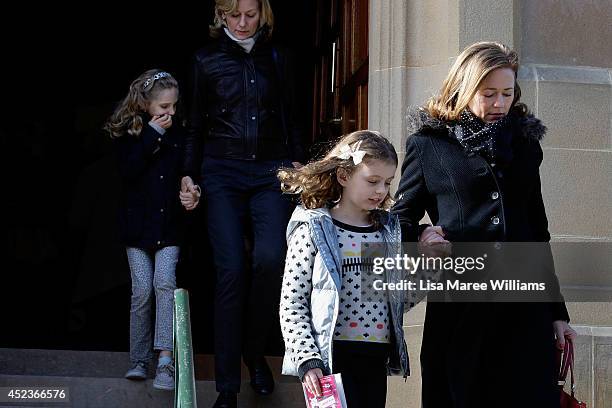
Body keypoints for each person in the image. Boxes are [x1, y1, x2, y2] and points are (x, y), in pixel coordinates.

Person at [392, 42, 577, 407]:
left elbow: (537, 232)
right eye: (488, 93)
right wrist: (422, 235)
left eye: (507, 93)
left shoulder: (524, 145)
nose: (499, 103)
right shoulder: (428, 145)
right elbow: (400, 218)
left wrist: (557, 312)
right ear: (463, 88)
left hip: (525, 306)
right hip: (461, 306)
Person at [181, 0, 305, 406]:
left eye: (250, 15)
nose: (242, 23)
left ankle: (255, 352)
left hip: (271, 171)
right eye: (234, 15)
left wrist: (299, 161)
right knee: (231, 268)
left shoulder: (278, 57)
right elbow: (195, 124)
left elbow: (292, 115)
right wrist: (189, 173)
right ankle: (228, 386)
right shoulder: (205, 60)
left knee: (271, 259)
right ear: (220, 15)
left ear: (263, 14)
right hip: (222, 171)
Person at [278, 130, 435, 408]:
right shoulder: (313, 228)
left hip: (375, 359)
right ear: (344, 176)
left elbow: (398, 298)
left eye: (387, 183)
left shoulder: (387, 232)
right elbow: (292, 302)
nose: (381, 191)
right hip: (330, 361)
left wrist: (431, 267)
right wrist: (306, 358)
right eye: (372, 181)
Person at [105, 69, 199, 391]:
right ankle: (138, 359)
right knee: (142, 290)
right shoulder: (128, 134)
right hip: (136, 230)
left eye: (173, 106)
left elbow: (188, 170)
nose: (170, 113)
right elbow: (127, 172)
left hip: (170, 227)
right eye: (163, 107)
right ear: (146, 105)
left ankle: (165, 360)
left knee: (164, 284)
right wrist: (151, 135)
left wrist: (192, 189)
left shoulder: (180, 133)